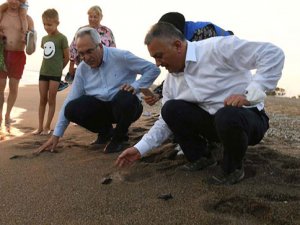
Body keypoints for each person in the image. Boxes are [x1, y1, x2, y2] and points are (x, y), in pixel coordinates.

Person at [116, 22, 285, 185]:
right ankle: (201, 157)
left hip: (247, 120)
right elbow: (164, 122)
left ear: (177, 45)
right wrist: (139, 149)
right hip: (213, 125)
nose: (158, 64)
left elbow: (272, 53)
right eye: (154, 58)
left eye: (159, 56)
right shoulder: (171, 82)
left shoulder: (216, 48)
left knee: (226, 115)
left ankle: (232, 169)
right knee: (170, 109)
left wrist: (251, 93)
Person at [37, 27, 160, 154]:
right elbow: (71, 99)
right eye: (81, 54)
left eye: (89, 51)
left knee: (125, 97)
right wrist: (56, 135)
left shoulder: (120, 56)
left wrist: (136, 86)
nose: (86, 57)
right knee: (71, 108)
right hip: (101, 109)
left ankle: (119, 138)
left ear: (100, 46)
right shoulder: (82, 69)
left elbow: (153, 69)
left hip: (126, 107)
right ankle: (106, 132)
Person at [144, 12, 234, 106]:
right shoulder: (179, 42)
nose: (158, 63)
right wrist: (158, 93)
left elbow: (191, 71)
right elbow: (175, 70)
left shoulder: (201, 34)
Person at [32, 9, 69, 135]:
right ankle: (40, 127)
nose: (47, 27)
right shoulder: (44, 39)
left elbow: (67, 57)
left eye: (50, 24)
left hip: (55, 74)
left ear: (57, 23)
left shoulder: (62, 38)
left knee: (51, 99)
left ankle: (47, 126)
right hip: (43, 72)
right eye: (44, 24)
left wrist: (59, 70)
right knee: (42, 99)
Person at [0, 0, 34, 127]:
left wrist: (28, 39)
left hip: (18, 55)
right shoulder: (2, 14)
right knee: (0, 87)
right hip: (1, 54)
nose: (14, 1)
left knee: (13, 87)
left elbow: (32, 46)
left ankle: (7, 115)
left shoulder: (27, 19)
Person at [66, 5, 116, 84]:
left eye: (95, 17)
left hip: (103, 66)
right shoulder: (81, 30)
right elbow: (73, 49)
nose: (92, 19)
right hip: (84, 66)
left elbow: (113, 49)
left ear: (101, 17)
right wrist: (71, 66)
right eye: (90, 16)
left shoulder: (107, 31)